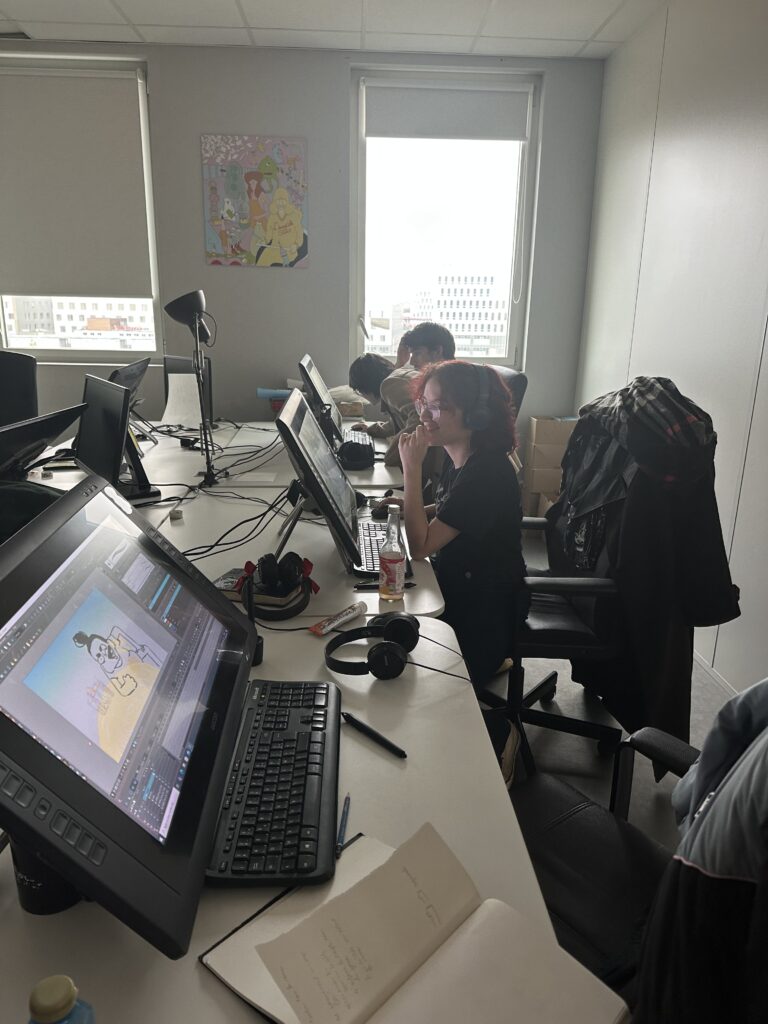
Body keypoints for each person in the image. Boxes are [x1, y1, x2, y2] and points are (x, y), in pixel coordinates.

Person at [397, 360, 527, 781]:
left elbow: (420, 546)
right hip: (463, 589)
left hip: (484, 615)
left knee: (407, 685)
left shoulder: (486, 473)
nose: (425, 415)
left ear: (476, 416)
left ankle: (500, 732)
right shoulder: (466, 459)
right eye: (423, 403)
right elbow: (454, 508)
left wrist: (411, 471)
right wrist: (410, 505)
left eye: (438, 407)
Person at [349, 322, 455, 484]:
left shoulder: (391, 385)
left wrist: (393, 455)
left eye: (417, 353)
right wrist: (375, 429)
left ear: (438, 351)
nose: (411, 362)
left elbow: (419, 418)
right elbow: (406, 417)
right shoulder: (439, 380)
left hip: (444, 472)